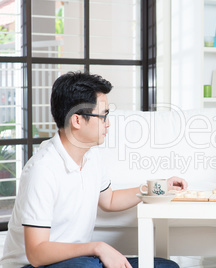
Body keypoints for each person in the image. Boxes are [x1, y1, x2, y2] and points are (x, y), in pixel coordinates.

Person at [1, 72, 187, 268]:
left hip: (80, 261)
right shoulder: (42, 170)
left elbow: (110, 200)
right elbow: (37, 253)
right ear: (77, 120)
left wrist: (158, 187)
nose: (108, 123)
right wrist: (97, 247)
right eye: (103, 116)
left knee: (166, 266)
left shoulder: (91, 156)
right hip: (34, 265)